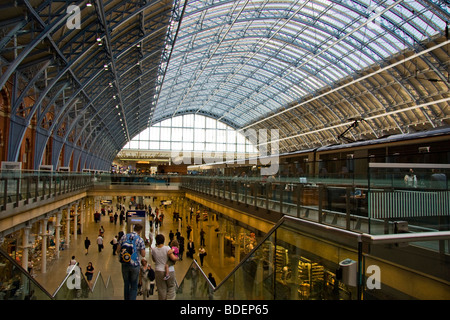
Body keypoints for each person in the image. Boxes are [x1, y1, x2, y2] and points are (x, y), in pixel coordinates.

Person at [117, 224, 146, 300]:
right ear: (140, 230)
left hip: (125, 263)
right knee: (134, 285)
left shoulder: (124, 236)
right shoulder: (140, 239)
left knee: (126, 283)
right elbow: (143, 254)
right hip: (135, 264)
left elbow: (118, 250)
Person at [152, 234, 178, 300]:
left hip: (159, 270)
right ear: (164, 240)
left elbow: (154, 260)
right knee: (171, 287)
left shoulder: (154, 250)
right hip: (170, 270)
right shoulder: (167, 248)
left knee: (161, 289)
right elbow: (172, 258)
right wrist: (177, 258)